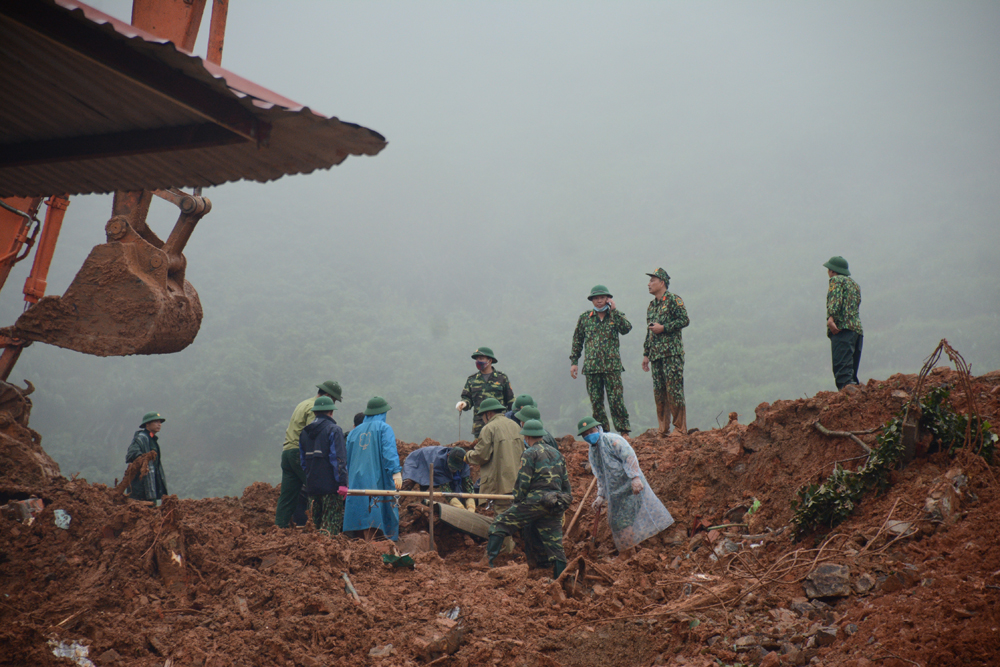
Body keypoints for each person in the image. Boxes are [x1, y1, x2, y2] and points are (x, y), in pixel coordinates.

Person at [485, 419, 572, 577]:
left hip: (535, 501)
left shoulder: (529, 453)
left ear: (526, 437)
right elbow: (566, 485)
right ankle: (559, 579)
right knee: (555, 544)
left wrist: (518, 502)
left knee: (500, 524)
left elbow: (523, 481)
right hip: (555, 502)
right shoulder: (557, 453)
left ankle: (487, 562)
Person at [577, 416, 674, 551]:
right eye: (585, 434)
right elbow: (600, 475)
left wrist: (635, 477)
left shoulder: (613, 440)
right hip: (615, 493)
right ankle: (631, 551)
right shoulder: (593, 452)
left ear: (598, 428)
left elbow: (629, 456)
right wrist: (601, 495)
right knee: (617, 522)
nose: (588, 436)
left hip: (629, 488)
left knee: (622, 522)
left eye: (590, 431)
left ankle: (627, 554)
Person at [276, 380, 342, 528]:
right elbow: (316, 434)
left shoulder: (303, 403)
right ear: (326, 395)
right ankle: (319, 528)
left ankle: (279, 528)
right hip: (299, 454)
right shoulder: (315, 408)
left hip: (287, 453)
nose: (334, 405)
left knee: (287, 495)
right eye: (334, 400)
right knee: (317, 489)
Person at [570, 284, 633, 436]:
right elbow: (577, 340)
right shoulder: (585, 318)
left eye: (602, 298)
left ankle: (623, 431)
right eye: (596, 298)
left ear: (608, 299)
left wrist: (614, 311)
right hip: (592, 368)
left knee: (616, 400)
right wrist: (574, 362)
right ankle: (603, 433)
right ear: (592, 300)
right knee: (596, 403)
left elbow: (626, 329)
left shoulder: (615, 316)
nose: (599, 301)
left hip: (612, 367)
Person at [344, 396, 403, 540]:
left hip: (355, 481)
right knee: (376, 511)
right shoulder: (384, 428)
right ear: (382, 413)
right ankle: (378, 546)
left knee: (359, 513)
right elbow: (389, 452)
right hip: (374, 478)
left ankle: (360, 546)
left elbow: (347, 459)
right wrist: (396, 472)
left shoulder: (353, 433)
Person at [642, 268, 689, 437]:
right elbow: (649, 331)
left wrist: (664, 328)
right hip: (656, 355)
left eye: (652, 280)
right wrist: (646, 354)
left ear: (662, 283)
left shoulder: (673, 300)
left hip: (672, 353)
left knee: (674, 390)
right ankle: (663, 429)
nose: (649, 284)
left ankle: (680, 428)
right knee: (659, 391)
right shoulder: (652, 306)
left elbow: (684, 320)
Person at [465, 397, 524, 513]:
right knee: (517, 516)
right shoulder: (516, 426)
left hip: (501, 484)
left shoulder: (489, 428)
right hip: (518, 483)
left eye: (482, 416)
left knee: (501, 517)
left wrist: (467, 456)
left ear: (488, 413)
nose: (483, 419)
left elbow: (482, 455)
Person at [299, 396, 348, 535]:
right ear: (331, 412)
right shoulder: (334, 430)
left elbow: (303, 462)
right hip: (331, 489)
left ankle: (312, 555)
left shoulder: (304, 433)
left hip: (312, 488)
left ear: (314, 413)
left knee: (313, 528)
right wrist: (343, 483)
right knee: (329, 528)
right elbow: (338, 459)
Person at [456, 346, 515, 438]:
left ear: (490, 361)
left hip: (500, 426)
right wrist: (463, 403)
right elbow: (467, 398)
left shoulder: (501, 378)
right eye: (477, 359)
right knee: (480, 451)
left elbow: (510, 401)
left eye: (481, 358)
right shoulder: (472, 380)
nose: (478, 361)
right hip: (480, 426)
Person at [824, 256, 863, 391]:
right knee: (852, 372)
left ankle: (848, 400)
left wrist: (831, 318)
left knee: (843, 374)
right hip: (856, 331)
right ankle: (856, 398)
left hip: (842, 330)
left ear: (832, 271)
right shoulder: (854, 285)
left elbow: (835, 301)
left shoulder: (836, 281)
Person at [401, 446, 476, 511]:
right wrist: (460, 507)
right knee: (408, 484)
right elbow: (445, 488)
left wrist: (471, 505)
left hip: (434, 461)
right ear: (448, 456)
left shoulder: (463, 461)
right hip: (417, 460)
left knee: (457, 485)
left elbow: (467, 484)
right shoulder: (438, 463)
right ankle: (395, 504)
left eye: (456, 468)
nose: (453, 469)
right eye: (452, 467)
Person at [125, 411, 168, 502]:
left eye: (160, 422)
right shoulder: (141, 438)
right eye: (156, 422)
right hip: (140, 487)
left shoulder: (152, 439)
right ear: (147, 424)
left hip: (150, 485)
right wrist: (143, 460)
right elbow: (131, 454)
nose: (159, 424)